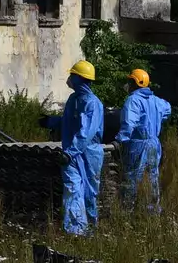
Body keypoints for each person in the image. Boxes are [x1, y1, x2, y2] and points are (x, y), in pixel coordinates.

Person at [38, 60, 104, 236]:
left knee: (90, 192)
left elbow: (86, 132)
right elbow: (68, 121)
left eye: (72, 75)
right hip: (71, 154)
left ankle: (91, 229)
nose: (69, 78)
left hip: (88, 153)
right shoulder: (73, 99)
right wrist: (50, 121)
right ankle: (76, 231)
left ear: (80, 78)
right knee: (73, 188)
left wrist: (70, 152)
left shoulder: (93, 104)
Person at [115, 68, 172, 214]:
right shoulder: (156, 101)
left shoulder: (133, 100)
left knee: (132, 178)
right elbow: (168, 109)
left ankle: (127, 212)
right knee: (152, 178)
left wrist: (120, 139)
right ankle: (152, 213)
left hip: (138, 144)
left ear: (134, 83)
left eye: (130, 81)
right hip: (154, 143)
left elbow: (129, 123)